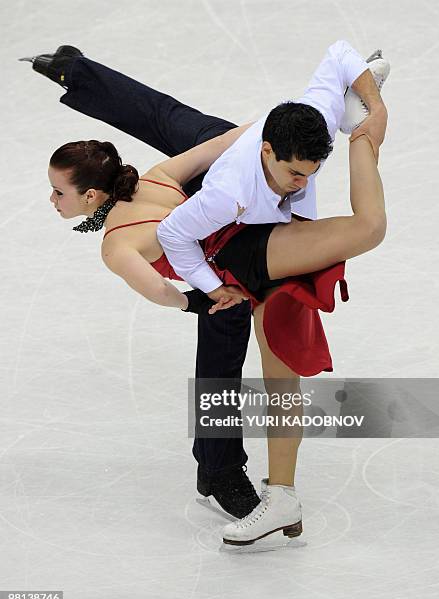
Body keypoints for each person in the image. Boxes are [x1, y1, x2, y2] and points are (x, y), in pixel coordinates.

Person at [20, 42, 387, 544]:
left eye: (58, 193)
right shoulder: (158, 179)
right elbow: (162, 116)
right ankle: (229, 471)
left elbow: (165, 282)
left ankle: (221, 469)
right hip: (220, 190)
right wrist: (252, 135)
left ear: (91, 195)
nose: (51, 201)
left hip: (232, 228)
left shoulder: (124, 240)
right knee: (177, 122)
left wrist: (207, 295)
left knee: (227, 336)